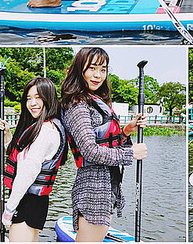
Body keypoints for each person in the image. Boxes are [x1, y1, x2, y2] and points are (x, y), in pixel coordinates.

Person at [60, 47, 147, 242]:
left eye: (103, 69)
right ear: (79, 69)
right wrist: (130, 153)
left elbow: (104, 142)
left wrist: (125, 131)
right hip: (93, 187)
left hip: (105, 183)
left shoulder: (93, 100)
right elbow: (90, 151)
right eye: (92, 68)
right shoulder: (77, 104)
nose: (98, 75)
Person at [0, 77, 67, 242]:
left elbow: (26, 175)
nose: (32, 103)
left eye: (38, 97)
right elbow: (20, 157)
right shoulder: (44, 126)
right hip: (34, 201)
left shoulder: (46, 131)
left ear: (48, 98)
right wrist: (7, 133)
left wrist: (9, 210)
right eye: (29, 99)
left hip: (27, 201)